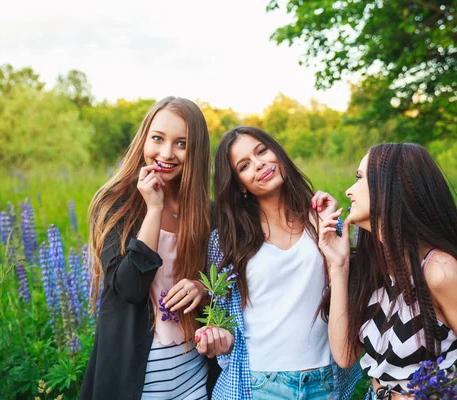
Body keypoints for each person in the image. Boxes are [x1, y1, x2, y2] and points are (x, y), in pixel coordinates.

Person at [318, 143, 457, 400]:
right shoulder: (376, 266)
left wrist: (429, 394)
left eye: (360, 178)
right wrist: (338, 265)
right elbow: (344, 355)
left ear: (391, 187)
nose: (349, 191)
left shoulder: (439, 271)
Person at [196, 126, 361, 400]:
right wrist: (218, 337)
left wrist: (332, 229)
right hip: (261, 384)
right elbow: (224, 318)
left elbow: (345, 295)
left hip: (325, 380)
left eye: (262, 151)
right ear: (240, 184)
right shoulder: (227, 241)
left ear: (278, 152)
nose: (259, 164)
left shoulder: (321, 221)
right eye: (245, 165)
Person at [80, 96, 213, 400]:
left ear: (196, 151)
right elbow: (130, 288)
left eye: (182, 143)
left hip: (193, 373)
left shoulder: (206, 212)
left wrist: (202, 289)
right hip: (138, 378)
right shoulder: (115, 205)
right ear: (144, 139)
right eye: (158, 138)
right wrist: (153, 210)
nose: (166, 153)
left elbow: (228, 284)